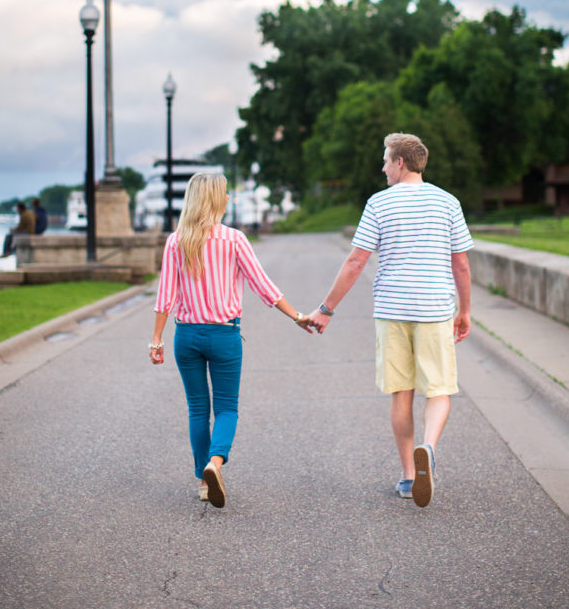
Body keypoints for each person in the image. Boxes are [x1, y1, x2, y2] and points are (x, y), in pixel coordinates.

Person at [309, 132, 473, 508]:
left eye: (386, 160)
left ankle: (406, 476)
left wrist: (326, 308)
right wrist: (464, 311)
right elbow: (460, 262)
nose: (382, 168)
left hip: (393, 309)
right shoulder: (448, 202)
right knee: (440, 389)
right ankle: (427, 449)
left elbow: (356, 261)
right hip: (434, 309)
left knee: (402, 392)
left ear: (401, 162)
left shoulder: (379, 204)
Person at [149, 172, 313, 508]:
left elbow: (166, 295)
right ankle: (215, 463)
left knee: (198, 409)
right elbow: (263, 286)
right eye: (225, 193)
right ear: (214, 199)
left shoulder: (175, 240)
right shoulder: (234, 240)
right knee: (226, 408)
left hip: (187, 335)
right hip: (224, 335)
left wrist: (156, 340)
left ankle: (203, 483)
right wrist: (297, 316)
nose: (228, 198)